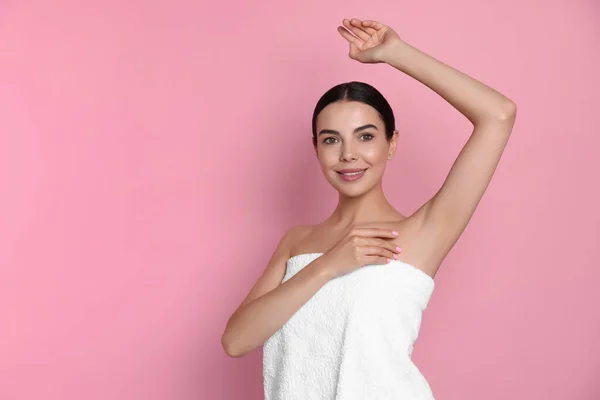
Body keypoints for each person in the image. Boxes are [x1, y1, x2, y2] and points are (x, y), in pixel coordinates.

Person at [221, 17, 517, 399]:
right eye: (331, 140)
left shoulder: (422, 232)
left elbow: (499, 114)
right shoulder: (297, 242)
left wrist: (395, 53)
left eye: (365, 136)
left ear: (391, 144)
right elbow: (236, 341)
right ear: (316, 149)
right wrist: (328, 265)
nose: (348, 155)